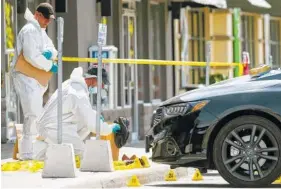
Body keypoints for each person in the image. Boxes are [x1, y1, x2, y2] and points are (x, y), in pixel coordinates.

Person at [32, 67, 130, 160]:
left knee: (85, 125)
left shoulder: (70, 85)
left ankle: (41, 151)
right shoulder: (78, 94)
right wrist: (110, 128)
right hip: (54, 129)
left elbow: (82, 114)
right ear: (93, 79)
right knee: (81, 155)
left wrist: (95, 116)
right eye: (102, 83)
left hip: (48, 126)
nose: (102, 87)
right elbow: (93, 126)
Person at [11, 3, 58, 160]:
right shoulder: (30, 30)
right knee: (33, 113)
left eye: (50, 19)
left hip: (34, 77)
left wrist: (49, 53)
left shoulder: (40, 31)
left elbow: (53, 48)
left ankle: (30, 152)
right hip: (24, 75)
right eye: (46, 18)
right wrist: (49, 64)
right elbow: (31, 56)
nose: (47, 21)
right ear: (37, 14)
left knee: (35, 114)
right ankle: (27, 153)